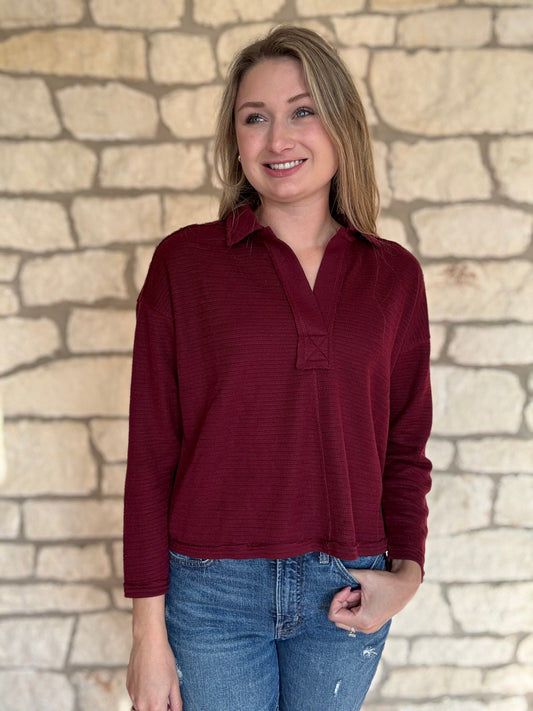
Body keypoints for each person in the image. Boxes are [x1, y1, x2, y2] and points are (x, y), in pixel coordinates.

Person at [123, 25, 432, 711]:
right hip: (211, 591)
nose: (277, 138)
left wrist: (407, 574)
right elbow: (151, 454)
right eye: (254, 118)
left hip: (347, 588)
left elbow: (404, 445)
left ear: (340, 124)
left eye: (302, 111)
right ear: (235, 139)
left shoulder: (393, 276)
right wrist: (147, 634)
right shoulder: (185, 264)